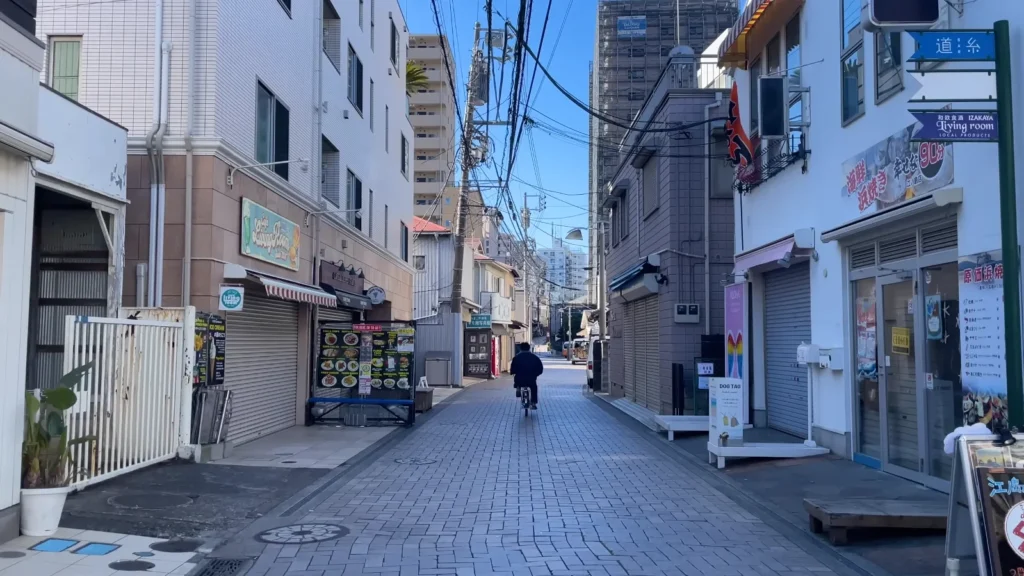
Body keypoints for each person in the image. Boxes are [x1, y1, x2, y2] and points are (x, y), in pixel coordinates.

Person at [510, 342, 543, 409]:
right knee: (534, 388)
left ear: (520, 348)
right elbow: (540, 369)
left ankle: (518, 387)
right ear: (529, 348)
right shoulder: (535, 358)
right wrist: (535, 374)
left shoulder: (516, 358)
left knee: (517, 380)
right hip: (531, 379)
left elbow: (512, 368)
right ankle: (533, 403)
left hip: (520, 379)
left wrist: (512, 372)